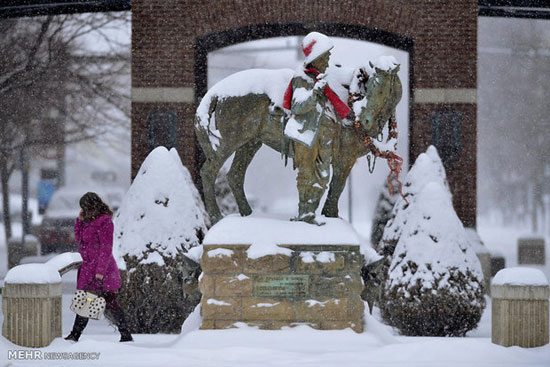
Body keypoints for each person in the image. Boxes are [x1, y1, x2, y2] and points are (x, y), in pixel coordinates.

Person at [282, 32, 351, 224]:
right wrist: (315, 93)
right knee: (306, 173)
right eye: (326, 55)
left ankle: (311, 211)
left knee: (323, 175)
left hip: (325, 136)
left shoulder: (323, 79)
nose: (329, 59)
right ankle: (305, 213)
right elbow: (298, 106)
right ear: (317, 57)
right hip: (307, 135)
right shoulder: (302, 79)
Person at [65, 192, 133, 342]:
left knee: (93, 301)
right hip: (88, 269)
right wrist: (79, 221)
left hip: (102, 270)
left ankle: (75, 335)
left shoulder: (105, 222)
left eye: (85, 207)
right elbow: (79, 238)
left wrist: (100, 272)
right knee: (102, 302)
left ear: (91, 206)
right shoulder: (87, 221)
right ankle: (125, 335)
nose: (83, 210)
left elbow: (106, 249)